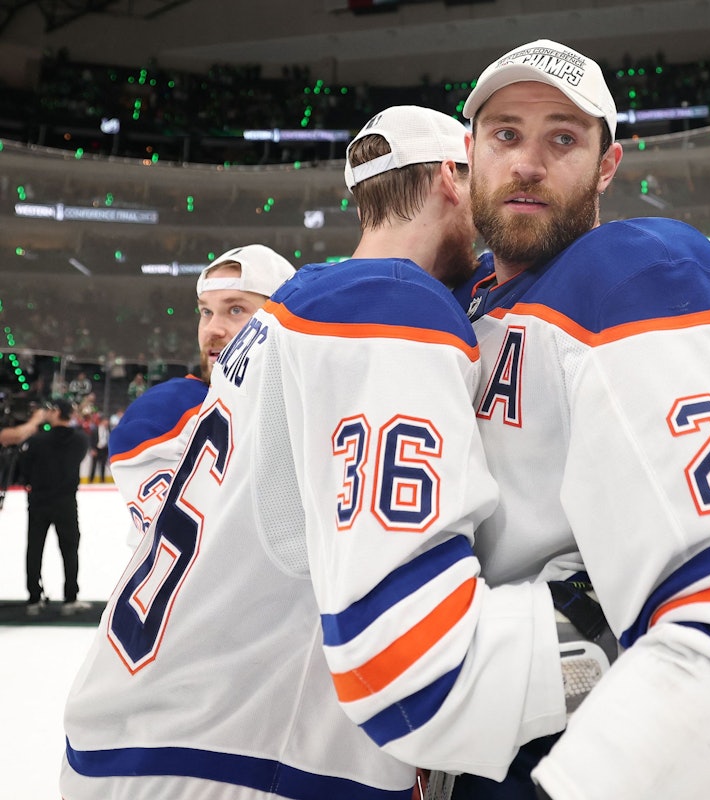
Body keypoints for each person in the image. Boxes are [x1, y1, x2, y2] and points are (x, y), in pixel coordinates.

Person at [62, 106, 591, 799]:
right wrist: (586, 637)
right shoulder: (391, 308)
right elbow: (409, 638)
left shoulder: (297, 307)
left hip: (144, 729)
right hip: (239, 755)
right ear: (449, 179)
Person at [455, 39, 710, 799]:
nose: (528, 162)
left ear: (607, 165)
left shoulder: (633, 278)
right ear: (467, 152)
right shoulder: (455, 300)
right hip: (460, 729)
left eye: (562, 138)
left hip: (563, 737)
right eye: (505, 134)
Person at [108, 244, 296, 544]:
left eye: (236, 310)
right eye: (205, 311)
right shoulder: (172, 413)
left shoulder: (305, 404)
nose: (212, 329)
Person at [19, 398, 90, 614]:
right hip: (66, 501)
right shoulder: (80, 440)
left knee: (35, 548)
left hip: (39, 501)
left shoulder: (38, 441)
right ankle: (70, 598)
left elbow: (24, 470)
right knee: (70, 549)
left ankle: (33, 598)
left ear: (57, 412)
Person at [87, 413, 110, 483]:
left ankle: (102, 480)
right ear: (102, 421)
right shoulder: (95, 430)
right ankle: (91, 480)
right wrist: (92, 449)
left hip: (104, 450)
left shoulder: (108, 430)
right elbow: (91, 440)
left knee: (103, 466)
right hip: (96, 449)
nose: (107, 423)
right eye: (106, 421)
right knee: (94, 465)